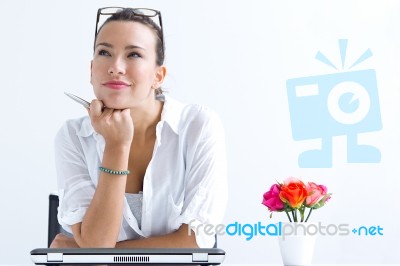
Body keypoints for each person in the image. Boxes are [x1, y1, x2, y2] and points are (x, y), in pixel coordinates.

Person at [50, 7, 228, 249]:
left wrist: (85, 254)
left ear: (158, 76)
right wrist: (117, 145)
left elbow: (196, 241)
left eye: (133, 55)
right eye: (104, 52)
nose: (116, 67)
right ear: (91, 71)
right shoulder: (73, 136)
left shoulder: (197, 126)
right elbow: (97, 244)